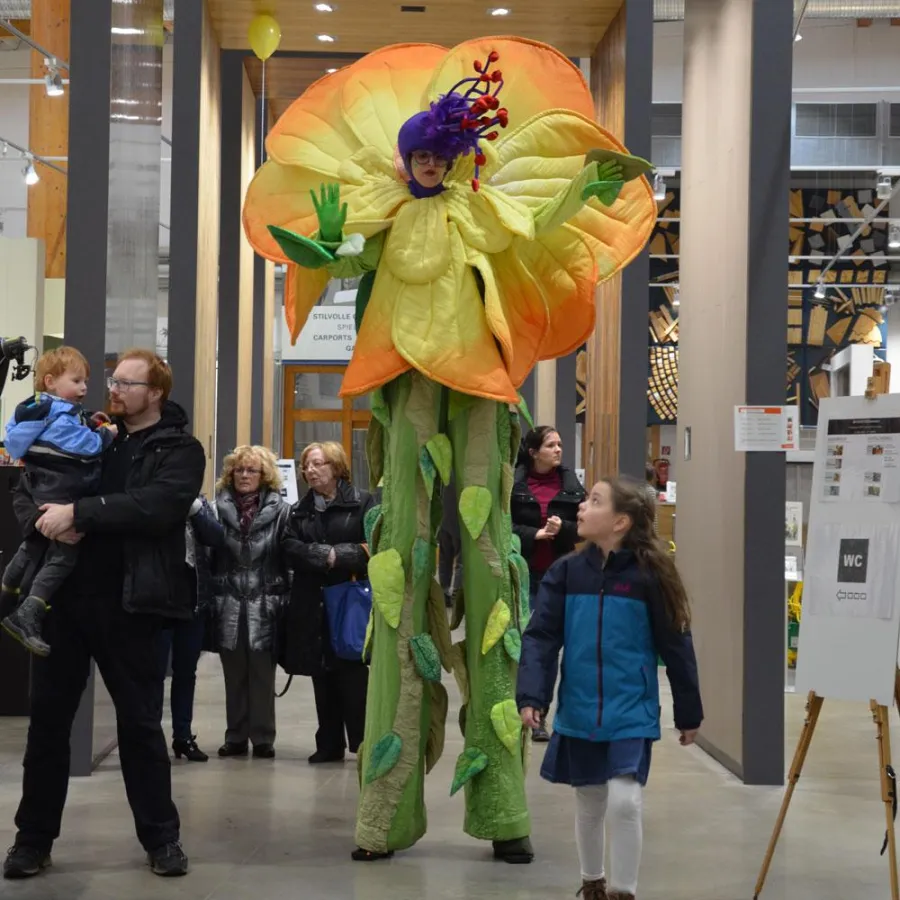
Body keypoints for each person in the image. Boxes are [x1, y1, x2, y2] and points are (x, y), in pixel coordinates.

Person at [244, 38, 655, 863]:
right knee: (398, 580)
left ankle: (503, 811)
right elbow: (337, 256)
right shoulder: (388, 219)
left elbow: (533, 225)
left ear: (459, 161)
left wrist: (580, 186)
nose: (430, 166)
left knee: (492, 576)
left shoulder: (477, 212)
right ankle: (385, 811)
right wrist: (321, 244)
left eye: (442, 155)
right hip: (408, 394)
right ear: (408, 160)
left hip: (480, 394)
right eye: (422, 154)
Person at [3, 348, 205, 881]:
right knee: (48, 727)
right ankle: (32, 841)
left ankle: (162, 839)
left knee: (139, 725)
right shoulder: (83, 431)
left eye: (124, 382)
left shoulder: (179, 449)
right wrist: (46, 520)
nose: (111, 388)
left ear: (155, 392)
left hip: (130, 604)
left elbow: (158, 506)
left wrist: (82, 513)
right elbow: (28, 487)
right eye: (111, 379)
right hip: (61, 603)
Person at [516, 477, 703, 900]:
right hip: (580, 705)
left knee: (624, 801)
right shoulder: (566, 572)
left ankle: (624, 891)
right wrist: (533, 695)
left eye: (593, 501)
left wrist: (689, 712)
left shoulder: (649, 575)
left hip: (631, 707)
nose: (581, 507)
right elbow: (541, 636)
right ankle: (592, 882)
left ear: (620, 521)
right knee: (590, 800)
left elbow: (676, 643)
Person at [0, 346, 117, 655]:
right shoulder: (60, 415)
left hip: (43, 489)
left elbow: (60, 436)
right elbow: (84, 447)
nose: (84, 388)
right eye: (77, 381)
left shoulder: (36, 412)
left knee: (32, 546)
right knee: (64, 555)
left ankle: (7, 592)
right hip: (61, 492)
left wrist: (90, 421)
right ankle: (29, 612)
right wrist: (106, 435)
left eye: (86, 382)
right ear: (50, 381)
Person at [281, 441, 374, 766]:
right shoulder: (299, 510)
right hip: (314, 602)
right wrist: (324, 555)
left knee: (354, 678)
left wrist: (342, 556)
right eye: (307, 464)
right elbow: (289, 547)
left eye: (318, 463)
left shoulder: (361, 502)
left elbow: (375, 546)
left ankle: (362, 744)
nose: (311, 470)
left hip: (350, 601)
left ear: (336, 467)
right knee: (323, 676)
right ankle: (328, 743)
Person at [211, 445, 290, 760]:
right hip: (228, 601)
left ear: (265, 475)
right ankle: (235, 736)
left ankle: (263, 737)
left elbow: (288, 559)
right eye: (239, 470)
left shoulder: (283, 511)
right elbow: (210, 557)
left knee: (262, 672)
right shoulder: (216, 509)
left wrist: (286, 597)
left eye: (251, 470)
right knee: (233, 673)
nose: (244, 475)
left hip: (266, 601)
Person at [511, 425, 585, 741]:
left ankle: (540, 715)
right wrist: (533, 534)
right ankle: (525, 708)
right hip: (524, 573)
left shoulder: (570, 484)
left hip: (558, 576)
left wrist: (562, 526)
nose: (558, 449)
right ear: (533, 452)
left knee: (550, 647)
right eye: (551, 445)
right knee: (528, 646)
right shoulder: (515, 484)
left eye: (560, 444)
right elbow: (502, 525)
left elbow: (584, 527)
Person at [157, 495, 224, 763]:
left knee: (187, 673)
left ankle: (182, 736)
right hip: (159, 603)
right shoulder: (155, 499)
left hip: (193, 602)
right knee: (154, 673)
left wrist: (194, 510)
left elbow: (216, 537)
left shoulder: (201, 506)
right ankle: (150, 739)